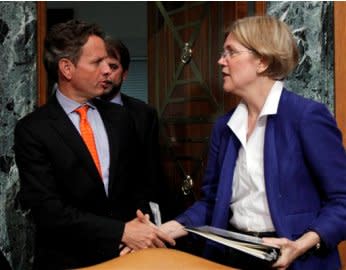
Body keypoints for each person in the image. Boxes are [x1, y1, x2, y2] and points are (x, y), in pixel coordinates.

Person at [158, 16, 346, 270]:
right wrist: (164, 229)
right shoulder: (224, 128)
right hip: (233, 257)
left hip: (297, 261)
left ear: (262, 61)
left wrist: (301, 244)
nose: (220, 61)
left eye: (231, 52)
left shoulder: (306, 116)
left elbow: (342, 200)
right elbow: (212, 202)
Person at [14, 20, 174, 270]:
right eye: (96, 62)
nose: (107, 70)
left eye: (108, 63)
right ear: (67, 68)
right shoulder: (33, 130)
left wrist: (139, 229)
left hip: (128, 258)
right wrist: (121, 231)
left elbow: (141, 184)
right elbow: (48, 211)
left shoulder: (120, 118)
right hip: (68, 260)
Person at [100, 39, 167, 221]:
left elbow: (152, 172)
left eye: (113, 67)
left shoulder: (145, 113)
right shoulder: (78, 112)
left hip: (136, 216)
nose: (105, 73)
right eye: (99, 65)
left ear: (125, 74)